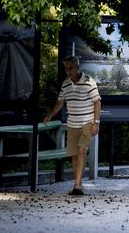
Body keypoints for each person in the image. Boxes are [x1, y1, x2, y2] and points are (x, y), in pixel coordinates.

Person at [43, 55, 101, 195]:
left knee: (81, 150)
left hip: (87, 121)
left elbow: (97, 102)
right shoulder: (65, 83)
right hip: (72, 123)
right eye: (66, 69)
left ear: (77, 67)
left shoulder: (89, 81)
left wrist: (96, 123)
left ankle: (77, 185)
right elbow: (60, 102)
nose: (69, 71)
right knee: (74, 155)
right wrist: (50, 115)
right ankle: (79, 184)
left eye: (71, 68)